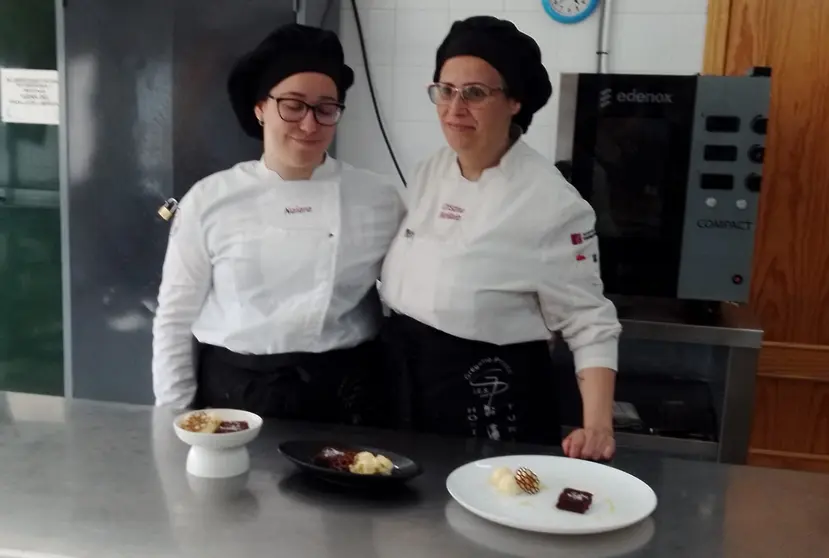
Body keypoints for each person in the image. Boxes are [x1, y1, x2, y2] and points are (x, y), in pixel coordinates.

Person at [380, 16, 621, 460]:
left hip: (487, 396)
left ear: (515, 101)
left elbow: (591, 321)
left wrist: (598, 426)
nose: (455, 108)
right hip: (407, 385)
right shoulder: (430, 170)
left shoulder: (551, 203)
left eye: (475, 93)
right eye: (445, 90)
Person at [152, 24, 404, 426]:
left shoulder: (379, 199)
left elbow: (404, 294)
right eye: (293, 104)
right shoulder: (211, 199)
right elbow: (175, 318)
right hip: (236, 394)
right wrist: (176, 416)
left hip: (346, 395)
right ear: (260, 108)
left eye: (326, 108)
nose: (309, 124)